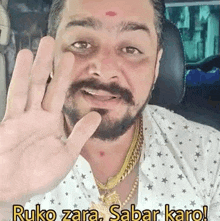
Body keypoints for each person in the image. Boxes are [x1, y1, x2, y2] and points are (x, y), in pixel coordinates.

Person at [0, 0, 219, 220]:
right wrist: (5, 202)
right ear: (52, 56)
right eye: (82, 44)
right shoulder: (9, 157)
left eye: (131, 49)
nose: (104, 71)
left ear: (157, 65)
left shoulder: (209, 158)